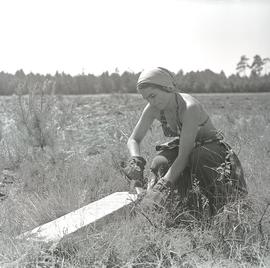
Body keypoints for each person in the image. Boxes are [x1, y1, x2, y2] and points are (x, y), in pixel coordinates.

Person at [123, 67, 247, 216]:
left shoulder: (189, 108)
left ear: (169, 88)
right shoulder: (152, 108)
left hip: (210, 148)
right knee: (159, 162)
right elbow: (133, 139)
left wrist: (161, 188)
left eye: (153, 95)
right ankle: (183, 207)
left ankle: (223, 209)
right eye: (146, 98)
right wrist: (135, 159)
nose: (151, 101)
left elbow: (183, 157)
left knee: (199, 157)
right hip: (187, 145)